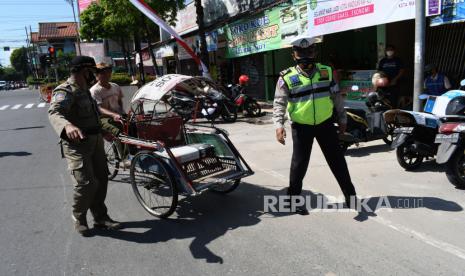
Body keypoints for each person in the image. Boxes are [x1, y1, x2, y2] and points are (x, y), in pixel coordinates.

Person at [273, 36, 357, 214]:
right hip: (301, 127)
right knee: (299, 165)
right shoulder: (286, 77)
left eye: (309, 51)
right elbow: (279, 103)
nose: (305, 55)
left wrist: (342, 119)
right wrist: (278, 125)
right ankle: (293, 202)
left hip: (325, 124)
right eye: (301, 52)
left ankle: (351, 198)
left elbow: (337, 98)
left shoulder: (326, 72)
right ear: (293, 54)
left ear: (315, 52)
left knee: (338, 162)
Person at [48, 56, 122, 237]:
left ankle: (100, 217)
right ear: (84, 71)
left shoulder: (85, 90)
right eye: (93, 71)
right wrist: (67, 126)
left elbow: (93, 113)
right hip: (76, 145)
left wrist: (102, 131)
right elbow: (54, 112)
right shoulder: (65, 91)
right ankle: (79, 217)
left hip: (95, 140)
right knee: (85, 183)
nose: (95, 75)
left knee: (101, 178)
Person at [90, 61, 130, 168]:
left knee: (135, 126)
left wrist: (122, 112)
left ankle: (134, 153)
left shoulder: (115, 86)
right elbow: (99, 108)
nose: (107, 75)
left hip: (118, 115)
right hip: (103, 118)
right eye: (103, 73)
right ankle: (124, 159)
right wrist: (113, 115)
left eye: (108, 72)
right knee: (119, 132)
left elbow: (120, 101)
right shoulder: (94, 91)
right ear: (97, 75)